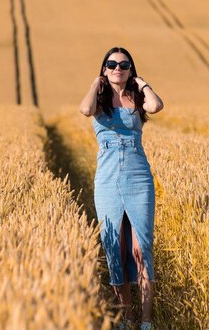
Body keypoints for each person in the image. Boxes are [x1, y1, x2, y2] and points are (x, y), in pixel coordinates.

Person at [79, 46, 164, 330]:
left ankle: (146, 321)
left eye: (124, 64)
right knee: (116, 248)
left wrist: (141, 82)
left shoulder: (138, 98)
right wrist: (95, 82)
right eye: (112, 64)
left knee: (141, 250)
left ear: (131, 68)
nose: (118, 68)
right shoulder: (99, 100)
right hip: (107, 181)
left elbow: (155, 106)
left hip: (139, 178)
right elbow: (85, 109)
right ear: (104, 68)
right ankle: (126, 318)